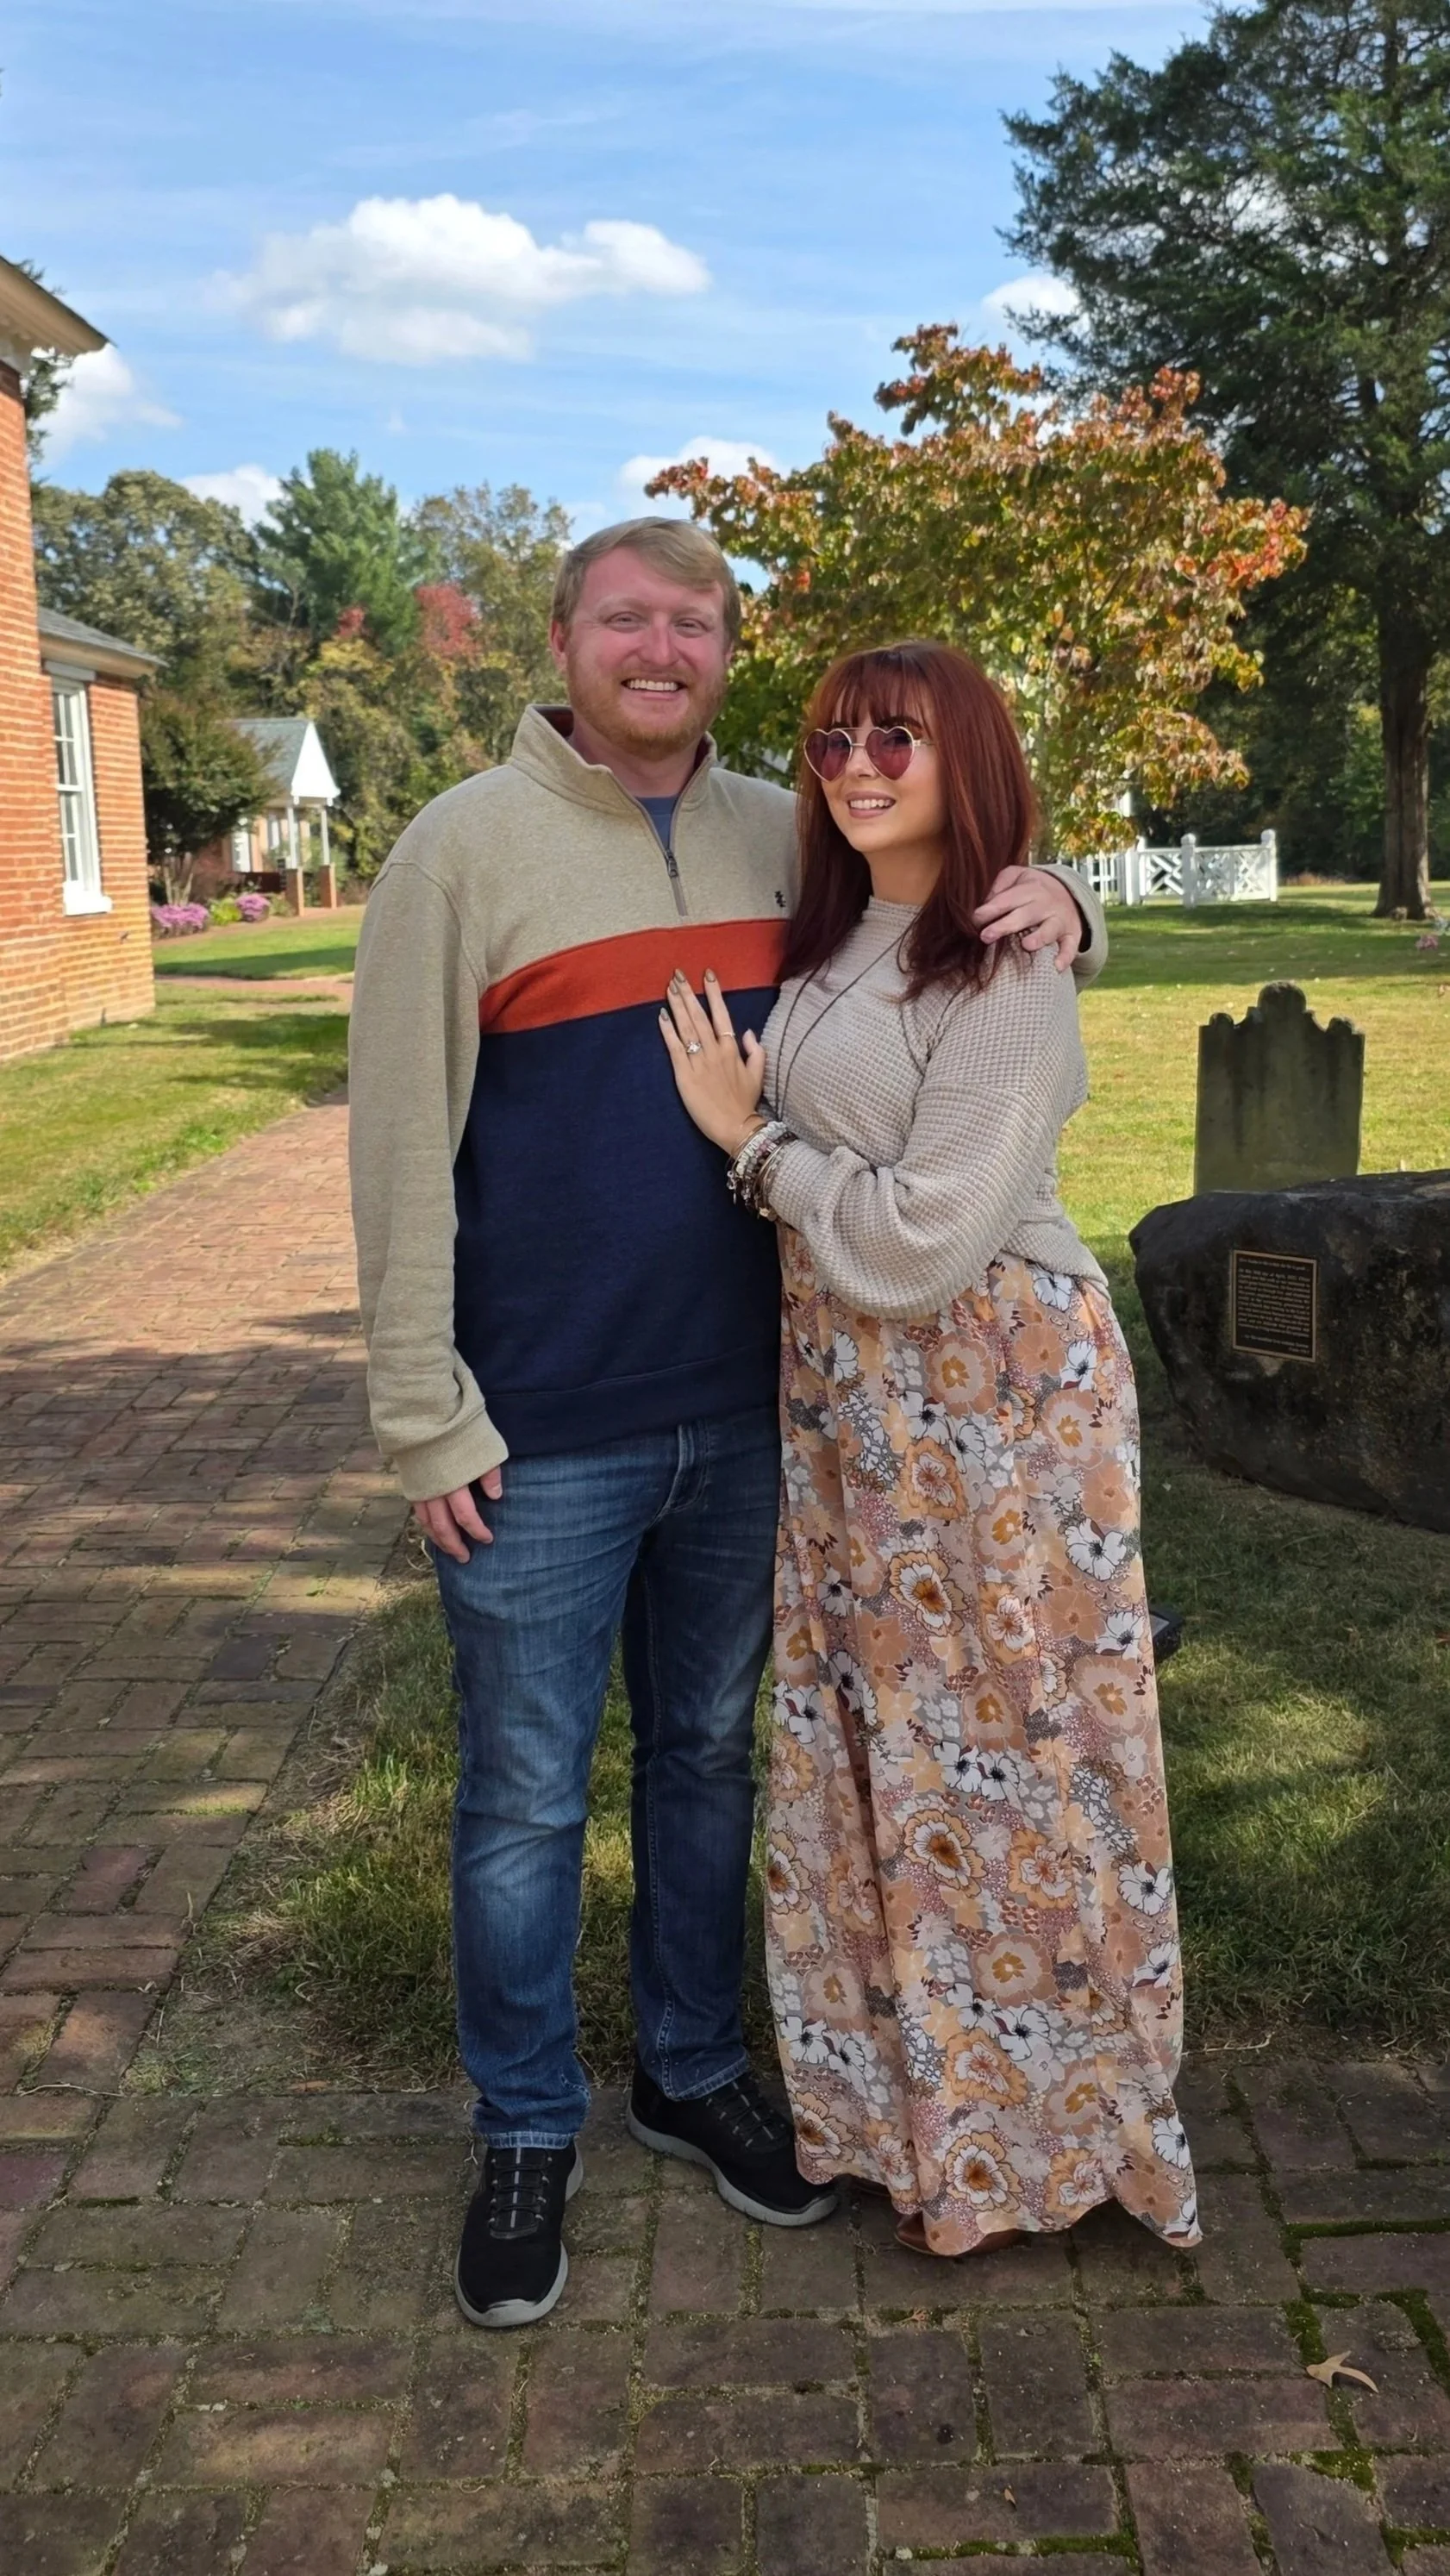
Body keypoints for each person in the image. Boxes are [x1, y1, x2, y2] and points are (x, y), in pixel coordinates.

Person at [348, 522, 1106, 2330]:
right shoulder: (461, 848)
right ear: (564, 639)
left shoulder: (792, 827)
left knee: (707, 1759)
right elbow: (395, 1143)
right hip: (534, 1424)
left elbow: (961, 900)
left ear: (725, 647)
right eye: (628, 617)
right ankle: (526, 2125)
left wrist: (1077, 893)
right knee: (525, 1796)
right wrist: (418, 1410)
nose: (661, 645)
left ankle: (687, 2069)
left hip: (764, 1409)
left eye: (694, 620)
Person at [661, 638, 1197, 2258]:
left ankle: (1051, 2138)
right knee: (872, 1747)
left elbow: (917, 1243)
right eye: (831, 742)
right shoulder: (841, 923)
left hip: (991, 1402)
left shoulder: (1008, 957)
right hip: (852, 1410)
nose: (855, 765)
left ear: (969, 752)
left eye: (896, 737)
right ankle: (908, 2120)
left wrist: (749, 1148)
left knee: (1024, 1756)